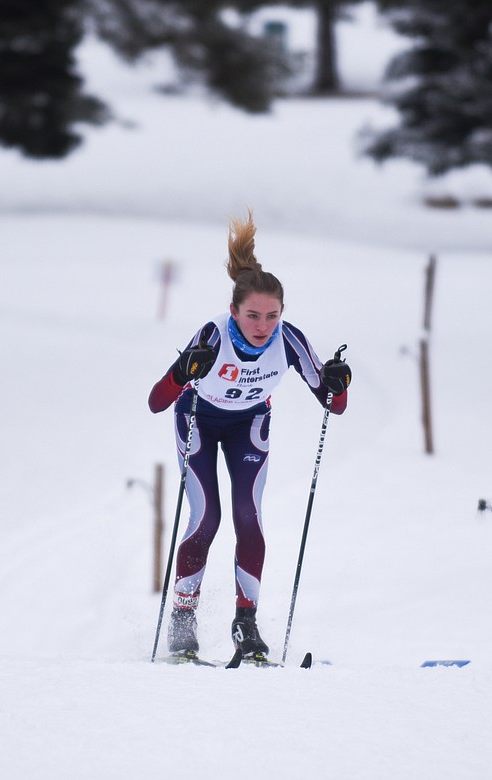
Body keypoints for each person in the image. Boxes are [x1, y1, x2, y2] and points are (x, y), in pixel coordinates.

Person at [147, 211, 351, 662]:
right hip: (198, 421)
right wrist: (183, 372)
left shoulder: (289, 340)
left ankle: (246, 621)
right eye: (253, 315)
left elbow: (332, 404)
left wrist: (339, 383)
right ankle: (183, 617)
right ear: (235, 311)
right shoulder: (214, 334)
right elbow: (157, 401)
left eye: (272, 315)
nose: (262, 326)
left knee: (248, 516)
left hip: (248, 426)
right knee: (207, 517)